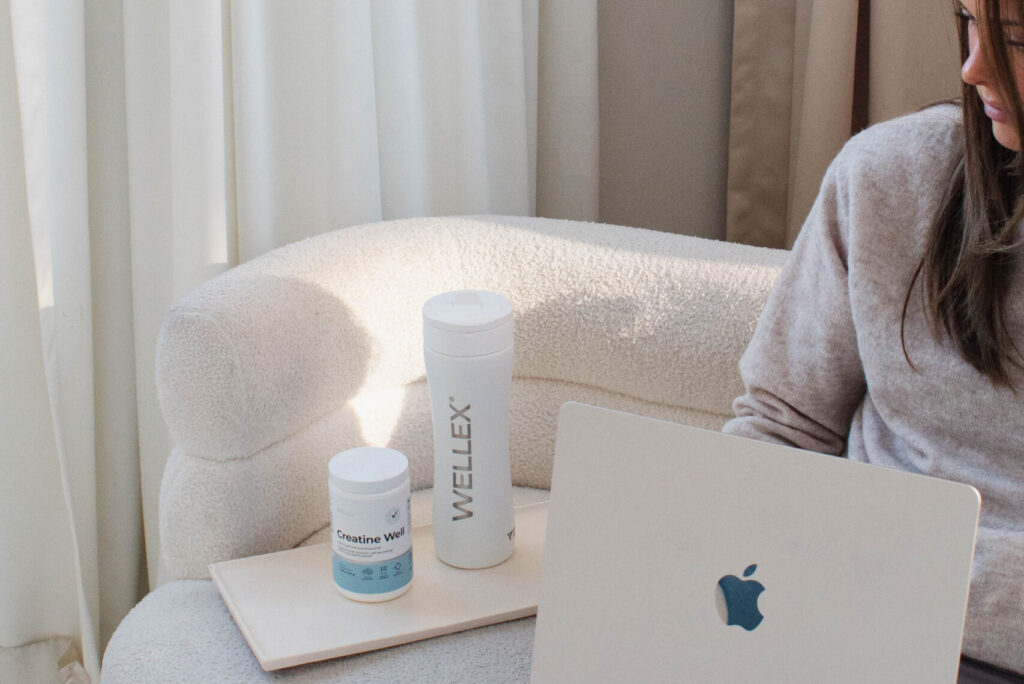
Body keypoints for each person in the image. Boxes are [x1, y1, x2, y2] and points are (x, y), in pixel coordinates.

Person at [722, 0, 1024, 675]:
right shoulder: (889, 174)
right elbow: (779, 425)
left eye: (1014, 39)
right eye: (968, 20)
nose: (974, 67)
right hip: (843, 623)